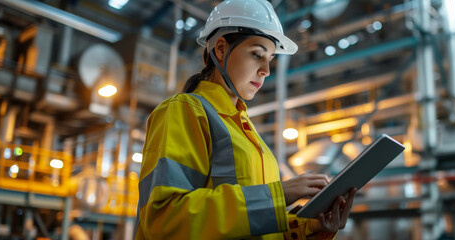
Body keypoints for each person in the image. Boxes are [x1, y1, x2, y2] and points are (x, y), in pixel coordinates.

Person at [134, 0, 356, 239]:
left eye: (269, 59)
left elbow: (254, 227)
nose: (265, 70)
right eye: (256, 54)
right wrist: (277, 196)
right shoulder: (184, 111)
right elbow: (165, 219)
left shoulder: (247, 133)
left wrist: (310, 228)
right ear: (220, 49)